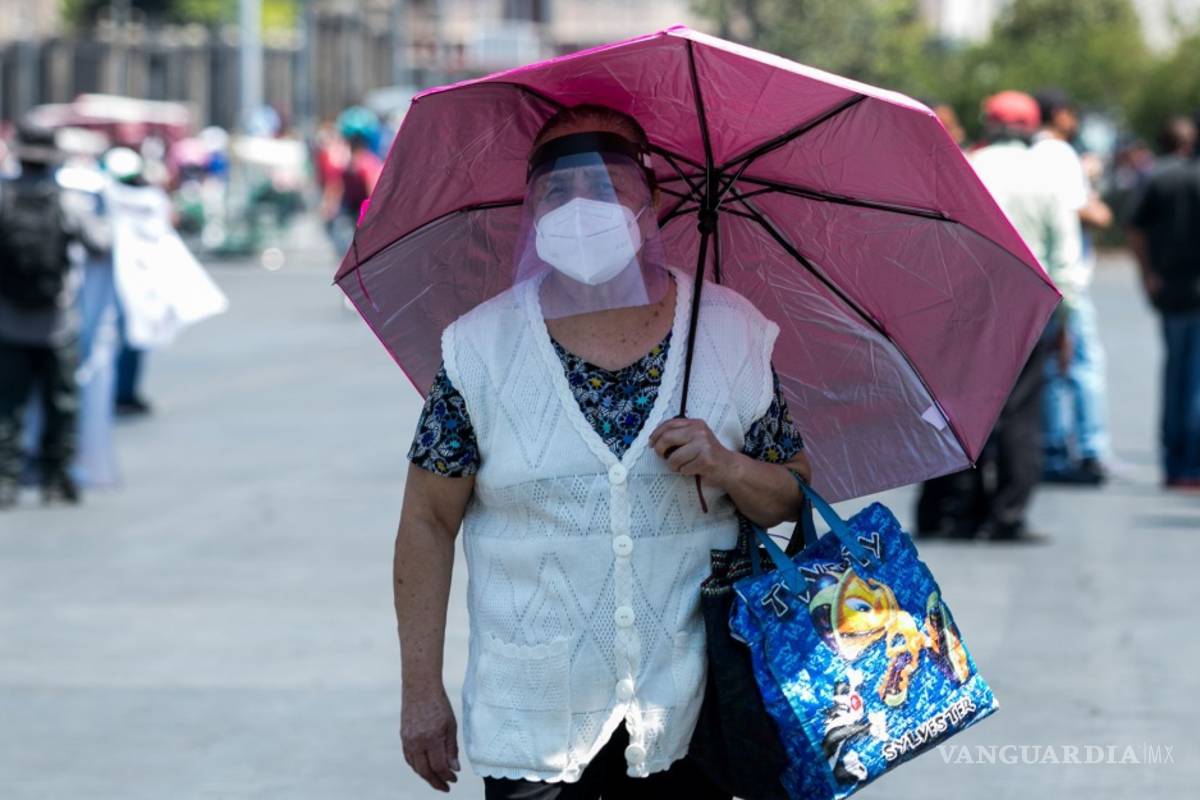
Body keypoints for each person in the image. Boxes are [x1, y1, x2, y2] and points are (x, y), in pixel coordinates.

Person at [394, 104, 813, 798]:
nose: (579, 204)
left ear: (652, 201)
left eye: (606, 182)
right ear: (530, 211)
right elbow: (426, 521)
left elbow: (793, 495)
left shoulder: (731, 331)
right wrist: (420, 693)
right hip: (534, 719)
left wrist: (728, 464)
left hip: (694, 715)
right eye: (556, 189)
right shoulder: (479, 347)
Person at [917, 91, 1079, 542]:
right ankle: (1007, 513)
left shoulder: (966, 166)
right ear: (1030, 129)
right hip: (1030, 300)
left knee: (962, 405)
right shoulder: (1047, 178)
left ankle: (956, 508)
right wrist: (1067, 320)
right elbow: (1065, 259)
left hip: (967, 300)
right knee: (1021, 410)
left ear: (989, 125)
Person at [0, 121, 95, 507]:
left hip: (6, 321)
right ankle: (56, 479)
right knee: (61, 404)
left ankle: (5, 479)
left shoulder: (3, 198)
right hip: (58, 323)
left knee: (7, 406)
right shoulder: (69, 201)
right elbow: (101, 242)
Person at [1031, 88, 1114, 485]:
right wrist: (1098, 197)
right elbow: (1081, 210)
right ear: (1059, 114)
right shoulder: (1061, 154)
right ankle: (1091, 448)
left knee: (1049, 365)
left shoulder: (1032, 153)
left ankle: (1051, 446)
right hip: (1069, 277)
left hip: (1040, 276)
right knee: (1083, 364)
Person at [1126, 116, 1200, 489]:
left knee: (1176, 375)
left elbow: (1135, 229)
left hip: (1170, 288)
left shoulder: (1156, 177)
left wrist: (1147, 273)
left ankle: (1174, 462)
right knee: (1195, 381)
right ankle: (1193, 465)